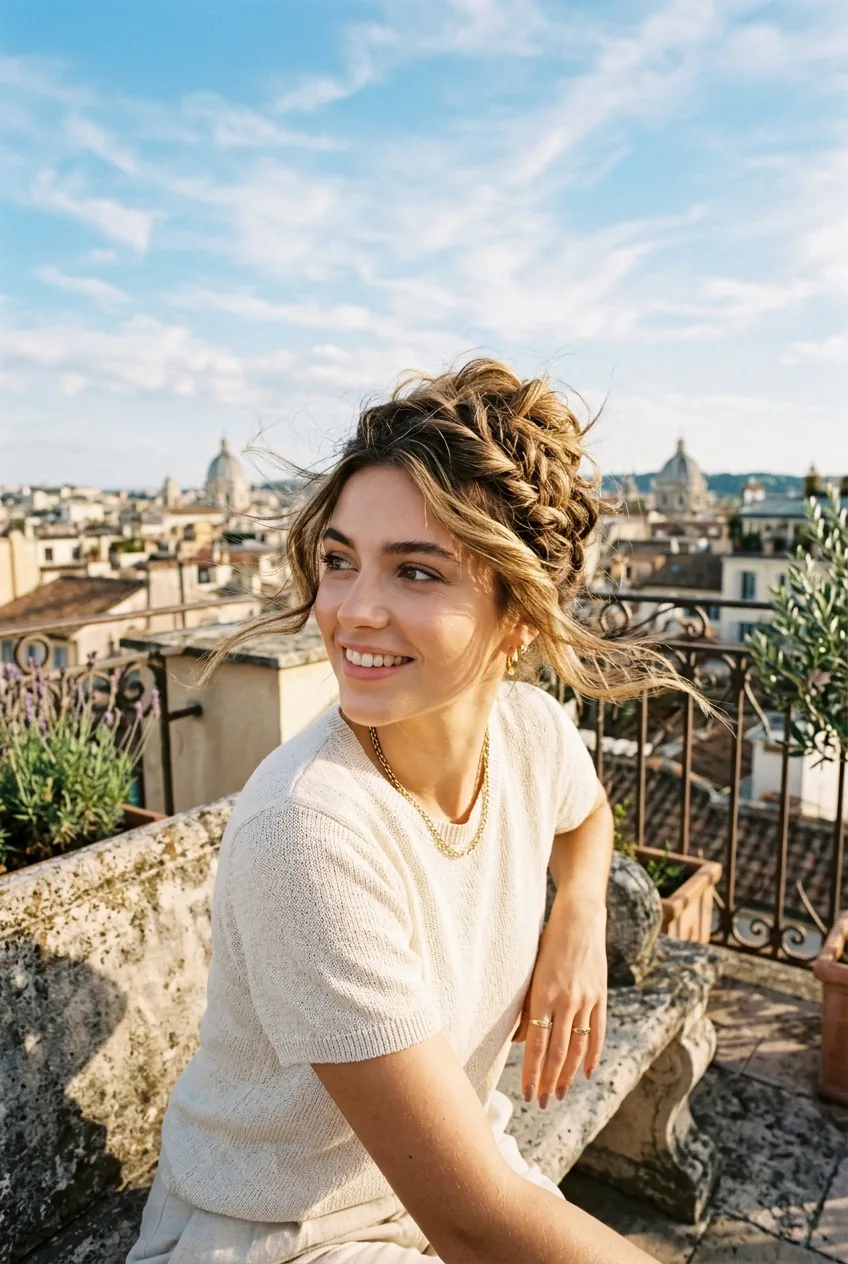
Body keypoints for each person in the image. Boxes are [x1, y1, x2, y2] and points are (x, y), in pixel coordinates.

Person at [128, 359, 691, 1264]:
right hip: (287, 1234)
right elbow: (475, 1224)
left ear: (519, 615)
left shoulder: (531, 731)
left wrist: (580, 918)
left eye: (416, 572)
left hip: (448, 1178)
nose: (352, 611)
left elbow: (585, 817)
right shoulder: (307, 829)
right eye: (339, 561)